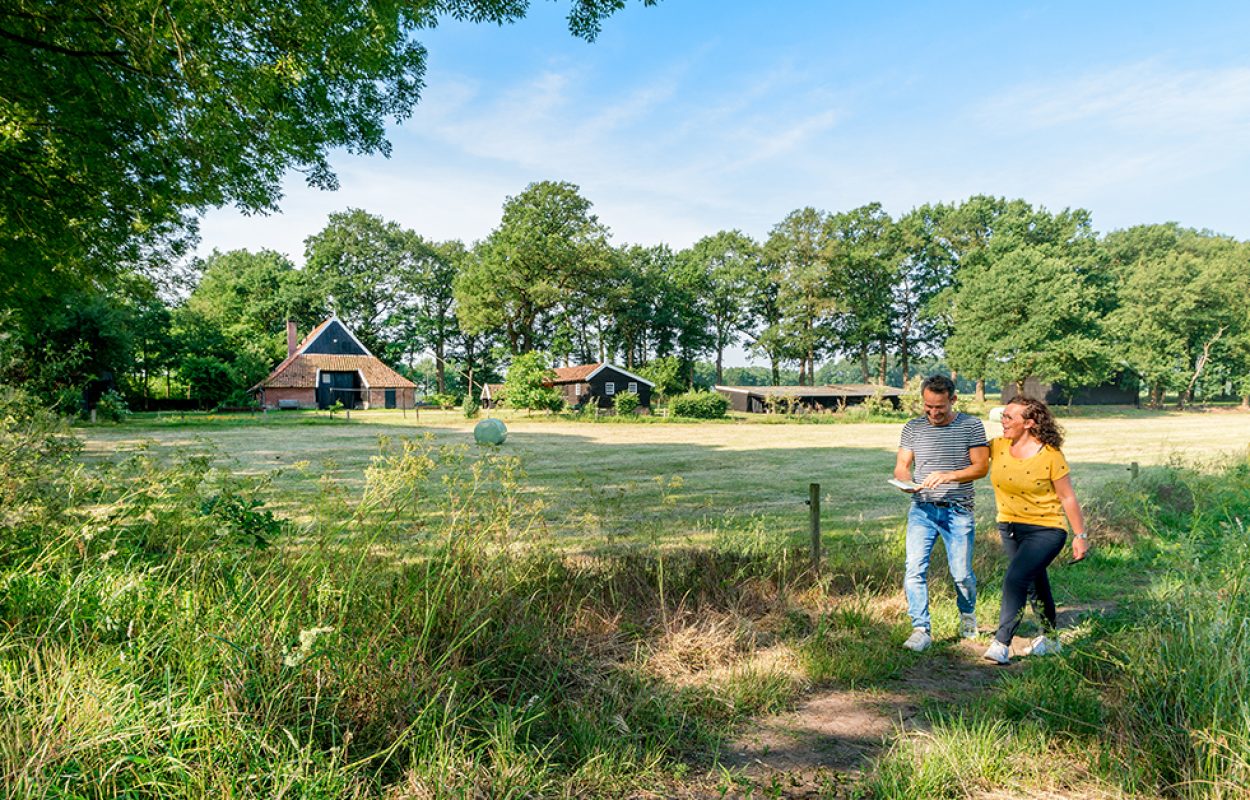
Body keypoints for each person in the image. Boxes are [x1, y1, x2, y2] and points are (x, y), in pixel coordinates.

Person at [982, 396, 1090, 665]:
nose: (1002, 422)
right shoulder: (998, 446)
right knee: (1033, 581)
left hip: (1047, 529)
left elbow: (1067, 497)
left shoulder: (1050, 455)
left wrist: (1080, 535)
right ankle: (1051, 638)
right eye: (1003, 416)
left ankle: (1001, 642)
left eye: (1009, 418)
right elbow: (969, 457)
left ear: (1029, 423)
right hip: (1009, 526)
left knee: (1015, 578)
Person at [894, 375, 990, 651]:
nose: (934, 413)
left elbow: (981, 467)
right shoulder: (912, 428)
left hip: (957, 512)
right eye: (928, 407)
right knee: (914, 569)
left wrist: (948, 476)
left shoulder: (971, 426)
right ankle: (920, 629)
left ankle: (968, 614)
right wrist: (905, 481)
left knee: (961, 574)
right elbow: (901, 464)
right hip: (922, 510)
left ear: (953, 400)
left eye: (940, 407)